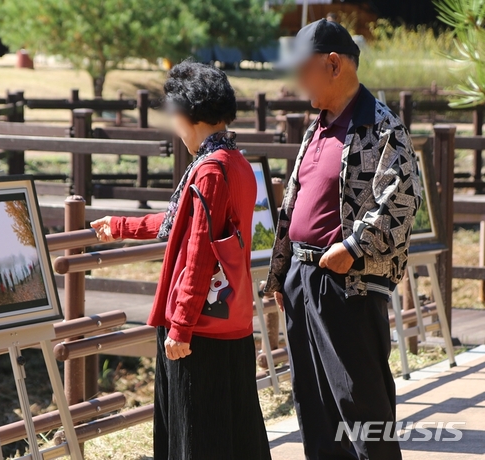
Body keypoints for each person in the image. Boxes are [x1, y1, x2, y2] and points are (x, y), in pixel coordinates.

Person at [91, 61, 271, 460]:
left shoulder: (208, 170)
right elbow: (184, 225)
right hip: (232, 320)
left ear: (187, 115)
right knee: (234, 430)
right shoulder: (236, 162)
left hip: (201, 328)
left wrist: (180, 326)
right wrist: (121, 226)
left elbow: (198, 252)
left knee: (195, 435)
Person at [266, 19, 421, 459]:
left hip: (345, 282)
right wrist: (282, 272)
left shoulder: (381, 125)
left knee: (360, 405)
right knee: (314, 406)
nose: (295, 79)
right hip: (303, 279)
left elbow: (402, 200)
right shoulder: (318, 125)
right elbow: (296, 203)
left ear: (333, 64)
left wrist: (352, 248)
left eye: (302, 68)